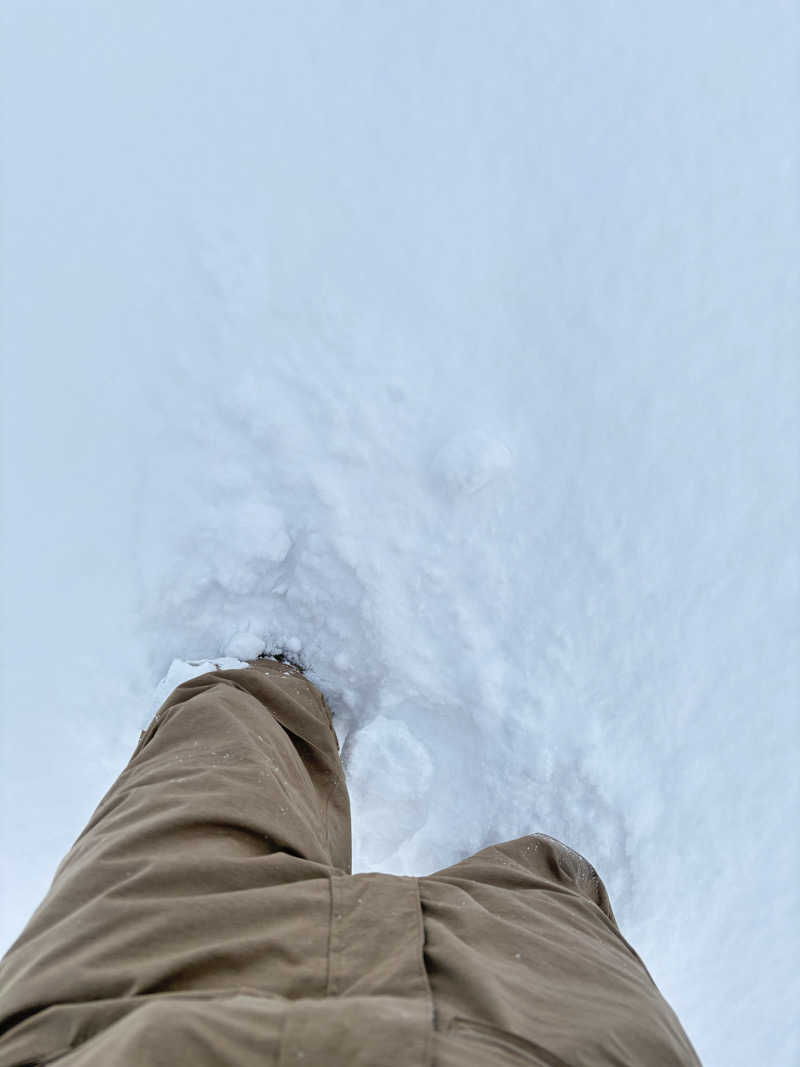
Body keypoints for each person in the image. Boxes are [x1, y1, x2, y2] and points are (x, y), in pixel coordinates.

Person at [0, 659, 702, 1066]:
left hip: (113, 1028)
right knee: (542, 901)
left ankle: (269, 689)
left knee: (211, 776)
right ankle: (265, 698)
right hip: (529, 1047)